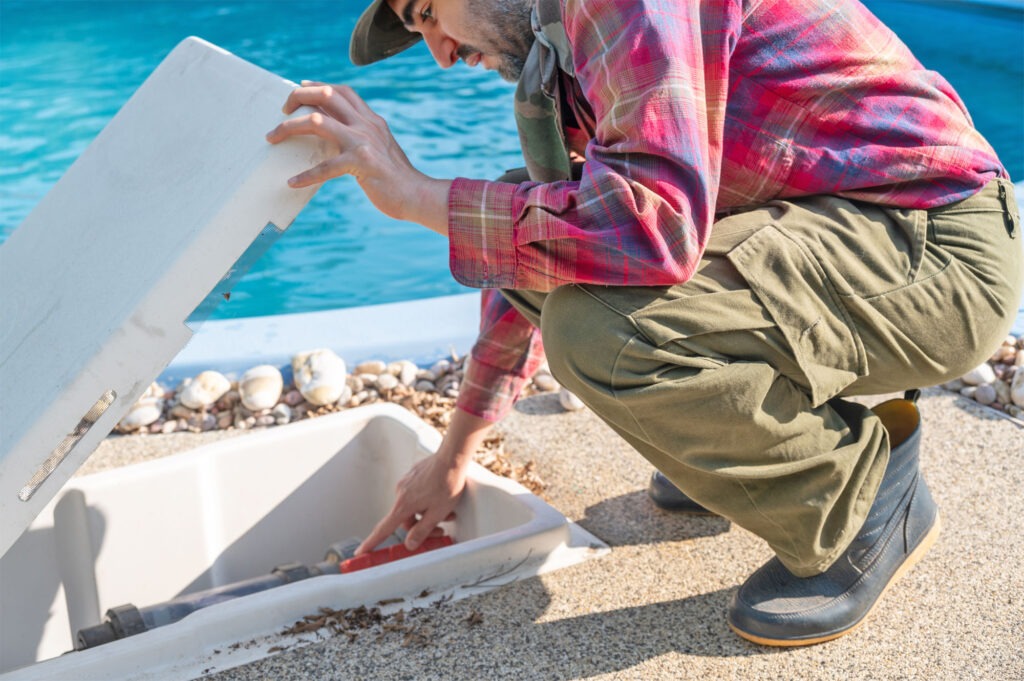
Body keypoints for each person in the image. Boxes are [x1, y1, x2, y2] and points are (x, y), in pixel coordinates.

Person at [266, 0, 1022, 646]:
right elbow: (542, 246)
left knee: (604, 333)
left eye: (426, 13)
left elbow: (648, 229)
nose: (439, 54)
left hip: (938, 255)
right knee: (538, 228)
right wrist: (456, 447)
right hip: (856, 240)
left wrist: (417, 194)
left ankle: (857, 503)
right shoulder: (562, 52)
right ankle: (741, 444)